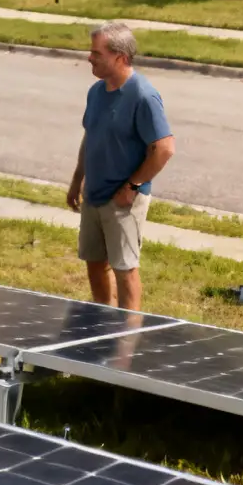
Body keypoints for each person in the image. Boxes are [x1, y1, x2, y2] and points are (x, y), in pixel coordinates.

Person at [66, 21, 174, 313]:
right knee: (95, 263)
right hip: (95, 193)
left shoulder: (143, 96)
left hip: (124, 199)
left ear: (120, 57)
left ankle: (127, 340)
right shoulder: (96, 92)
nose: (90, 57)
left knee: (125, 268)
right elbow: (91, 135)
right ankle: (102, 323)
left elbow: (164, 149)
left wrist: (132, 187)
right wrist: (78, 179)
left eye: (96, 52)